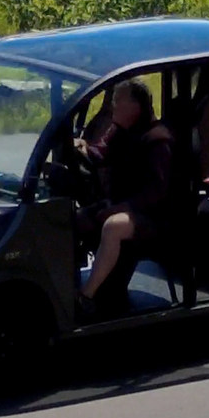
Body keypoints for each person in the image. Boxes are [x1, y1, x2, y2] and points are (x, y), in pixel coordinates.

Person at [75, 78, 171, 317]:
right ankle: (67, 283)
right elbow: (99, 154)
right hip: (121, 205)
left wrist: (121, 207)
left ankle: (86, 296)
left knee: (112, 226)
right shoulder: (120, 131)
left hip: (153, 217)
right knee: (74, 219)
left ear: (136, 106)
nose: (113, 106)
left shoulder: (158, 140)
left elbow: (157, 193)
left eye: (119, 101)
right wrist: (80, 147)